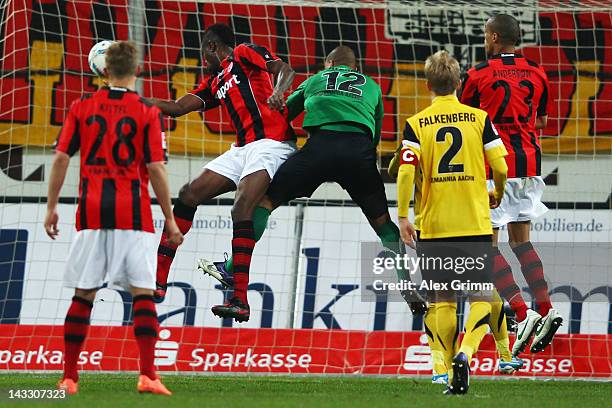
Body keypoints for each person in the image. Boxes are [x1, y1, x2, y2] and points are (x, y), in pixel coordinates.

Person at [200, 46, 427, 316]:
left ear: (329, 63)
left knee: (264, 202)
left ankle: (229, 270)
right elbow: (376, 133)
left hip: (318, 149)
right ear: (355, 68)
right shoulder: (373, 86)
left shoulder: (317, 79)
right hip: (359, 153)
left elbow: (285, 112)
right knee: (384, 225)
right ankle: (405, 284)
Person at [45, 41, 182, 395]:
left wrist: (51, 206)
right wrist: (169, 219)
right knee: (142, 295)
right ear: (136, 70)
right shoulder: (147, 111)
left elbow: (61, 158)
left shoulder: (81, 106)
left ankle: (69, 378)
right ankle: (148, 375)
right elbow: (155, 168)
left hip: (90, 213)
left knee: (83, 295)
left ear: (103, 72)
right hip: (131, 214)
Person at [150, 23, 297, 322]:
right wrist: (137, 102)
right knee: (189, 194)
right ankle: (157, 282)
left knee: (242, 206)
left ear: (212, 47)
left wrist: (279, 91)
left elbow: (285, 69)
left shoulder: (245, 53)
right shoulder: (215, 82)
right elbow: (178, 108)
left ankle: (239, 299)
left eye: (204, 52)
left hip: (272, 142)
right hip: (242, 149)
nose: (203, 59)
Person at [397, 50, 508, 394]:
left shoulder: (416, 123)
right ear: (459, 83)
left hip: (433, 225)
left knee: (441, 300)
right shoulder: (479, 118)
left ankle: (441, 368)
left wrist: (403, 215)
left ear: (428, 85)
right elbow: (501, 167)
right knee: (480, 297)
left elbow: (405, 172)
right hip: (474, 223)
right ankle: (466, 352)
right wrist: (498, 193)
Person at [460, 14, 562, 356]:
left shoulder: (476, 74)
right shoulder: (537, 71)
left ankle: (522, 312)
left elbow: (465, 124)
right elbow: (544, 121)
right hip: (530, 163)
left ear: (492, 37)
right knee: (521, 242)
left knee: (485, 247)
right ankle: (546, 310)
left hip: (493, 167)